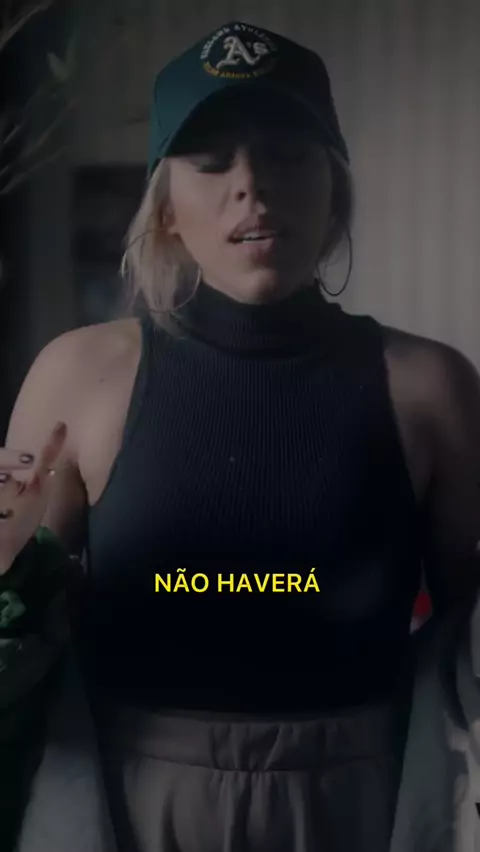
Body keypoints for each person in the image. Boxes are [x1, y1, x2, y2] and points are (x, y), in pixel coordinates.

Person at [1, 20, 480, 852]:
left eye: (286, 152)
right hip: (125, 801)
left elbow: (470, 639)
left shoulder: (431, 386)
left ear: (335, 188)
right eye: (213, 160)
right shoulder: (79, 377)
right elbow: (20, 636)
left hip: (367, 801)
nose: (252, 186)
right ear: (165, 209)